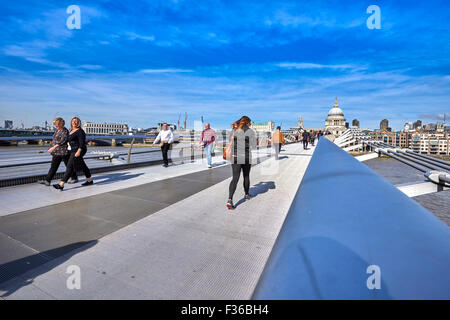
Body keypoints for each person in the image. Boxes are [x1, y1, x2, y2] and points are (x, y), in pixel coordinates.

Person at [53, 117, 93, 190]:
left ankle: (61, 184)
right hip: (72, 150)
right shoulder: (71, 130)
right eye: (73, 121)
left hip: (79, 150)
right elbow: (67, 141)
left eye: (77, 121)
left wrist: (79, 151)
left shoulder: (80, 131)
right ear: (71, 122)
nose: (75, 122)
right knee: (83, 166)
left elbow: (82, 142)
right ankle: (89, 180)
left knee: (69, 166)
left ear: (79, 123)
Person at [226, 116, 257, 210]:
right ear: (247, 122)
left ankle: (230, 199)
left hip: (235, 157)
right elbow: (254, 146)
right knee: (246, 176)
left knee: (235, 178)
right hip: (246, 157)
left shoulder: (234, 130)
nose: (250, 124)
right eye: (250, 123)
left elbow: (229, 142)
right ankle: (246, 194)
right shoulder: (250, 131)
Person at [38, 117, 78, 186]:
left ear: (60, 124)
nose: (55, 126)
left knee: (68, 166)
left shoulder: (65, 131)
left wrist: (53, 147)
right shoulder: (57, 130)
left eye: (56, 124)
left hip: (63, 152)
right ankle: (47, 181)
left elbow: (62, 141)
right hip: (56, 152)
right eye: (55, 124)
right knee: (54, 166)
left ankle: (74, 178)